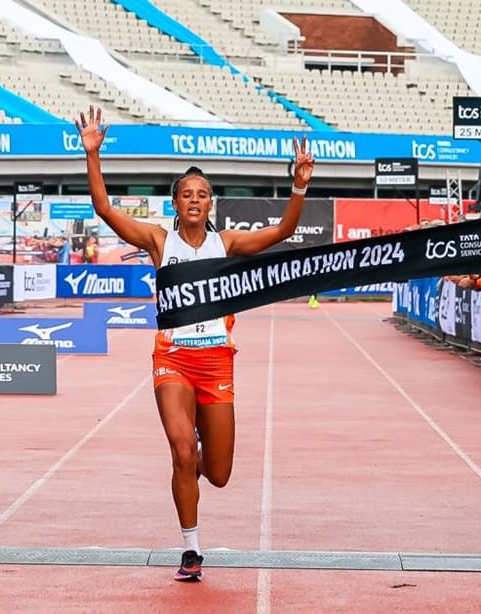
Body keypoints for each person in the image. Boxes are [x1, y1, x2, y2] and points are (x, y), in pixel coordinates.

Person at [77, 106, 315, 582]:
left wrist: (299, 185)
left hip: (217, 363)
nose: (194, 200)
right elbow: (104, 210)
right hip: (174, 361)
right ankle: (191, 548)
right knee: (183, 451)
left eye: (202, 195)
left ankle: (199, 450)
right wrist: (92, 155)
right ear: (176, 203)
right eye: (186, 194)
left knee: (219, 472)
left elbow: (286, 231)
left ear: (211, 205)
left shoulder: (225, 244)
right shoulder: (158, 241)